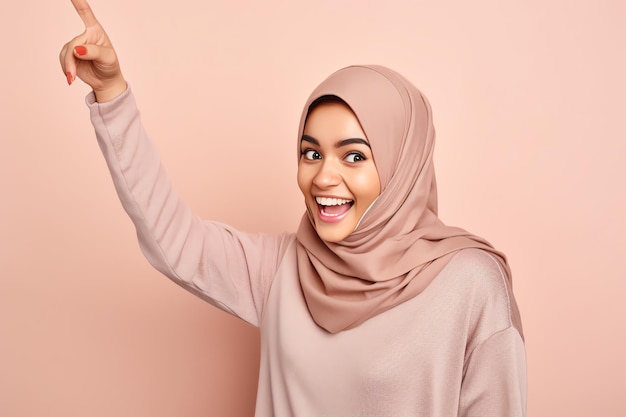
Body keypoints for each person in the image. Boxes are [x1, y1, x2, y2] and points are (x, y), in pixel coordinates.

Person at [60, 0, 527, 415]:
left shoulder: (470, 285)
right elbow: (172, 240)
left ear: (404, 164)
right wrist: (112, 93)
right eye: (311, 152)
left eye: (355, 156)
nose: (324, 176)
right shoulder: (283, 269)